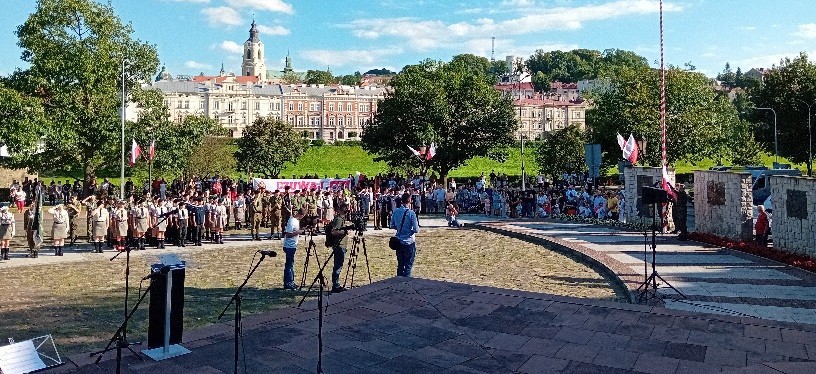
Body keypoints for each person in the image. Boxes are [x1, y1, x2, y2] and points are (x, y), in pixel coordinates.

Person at [390, 193, 420, 277]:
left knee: (400, 265)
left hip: (399, 241)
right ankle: (406, 285)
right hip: (409, 242)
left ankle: (398, 283)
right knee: (408, 266)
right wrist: (408, 231)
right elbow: (416, 229)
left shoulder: (396, 211)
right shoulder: (411, 213)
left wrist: (400, 228)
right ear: (410, 201)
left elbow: (392, 225)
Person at [327, 203, 350, 293]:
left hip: (341, 245)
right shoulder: (339, 219)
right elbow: (334, 232)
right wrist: (344, 232)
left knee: (339, 265)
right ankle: (335, 285)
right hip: (339, 245)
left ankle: (336, 284)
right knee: (338, 266)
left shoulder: (341, 219)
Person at [282, 209, 306, 290]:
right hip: (289, 246)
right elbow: (288, 234)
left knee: (291, 265)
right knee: (289, 265)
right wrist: (300, 232)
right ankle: (288, 283)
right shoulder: (292, 221)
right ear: (301, 215)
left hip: (292, 246)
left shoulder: (295, 220)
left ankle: (291, 281)